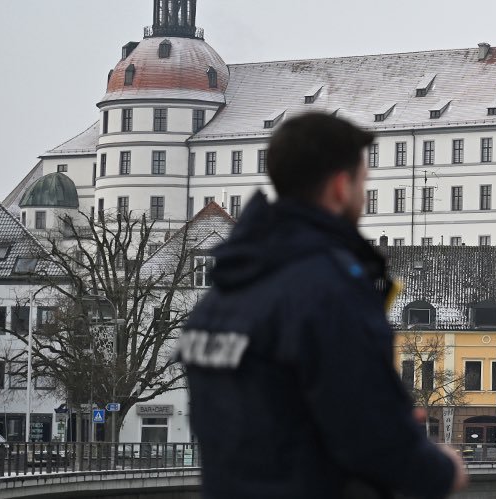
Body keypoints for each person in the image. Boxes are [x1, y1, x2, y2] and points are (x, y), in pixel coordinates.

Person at [180, 113, 467, 498]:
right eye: (363, 183)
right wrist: (442, 469)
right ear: (340, 187)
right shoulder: (328, 288)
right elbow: (369, 436)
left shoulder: (227, 287)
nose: (363, 197)